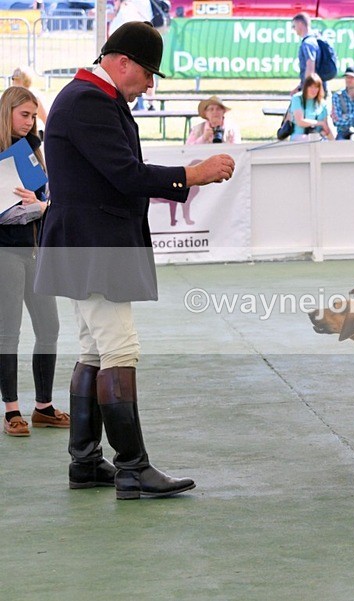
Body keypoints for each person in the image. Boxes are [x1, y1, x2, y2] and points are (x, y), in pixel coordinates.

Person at [33, 22, 235, 499]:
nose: (149, 85)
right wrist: (193, 174)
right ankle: (133, 467)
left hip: (85, 243)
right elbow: (125, 174)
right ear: (122, 62)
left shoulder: (88, 97)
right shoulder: (89, 101)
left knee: (94, 350)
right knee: (119, 351)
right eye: (147, 74)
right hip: (96, 246)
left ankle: (85, 463)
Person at [0, 87, 66, 437]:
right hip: (5, 252)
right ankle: (11, 410)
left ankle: (43, 406)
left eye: (33, 115)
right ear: (7, 111)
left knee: (49, 328)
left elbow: (44, 196)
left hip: (35, 249)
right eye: (24, 115)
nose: (29, 122)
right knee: (8, 332)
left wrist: (40, 204)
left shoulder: (32, 147)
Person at [289, 73, 335, 141]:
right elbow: (300, 121)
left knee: (332, 134)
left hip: (318, 137)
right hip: (299, 136)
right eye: (310, 87)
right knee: (312, 140)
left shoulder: (323, 103)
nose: (313, 90)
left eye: (316, 87)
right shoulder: (297, 98)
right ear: (306, 87)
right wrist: (320, 123)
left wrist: (322, 134)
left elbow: (326, 128)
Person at [291, 13, 320, 95]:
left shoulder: (308, 43)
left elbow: (310, 67)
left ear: (300, 24)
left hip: (313, 89)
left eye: (294, 26)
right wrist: (300, 87)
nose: (294, 29)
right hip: (316, 86)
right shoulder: (314, 39)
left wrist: (307, 89)